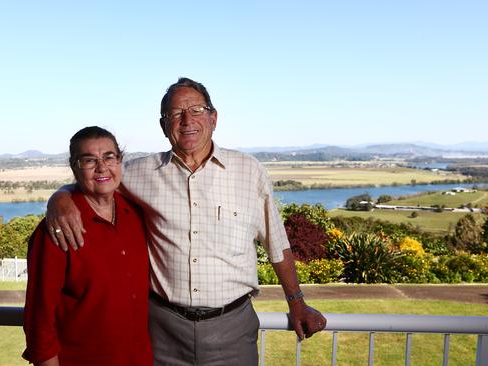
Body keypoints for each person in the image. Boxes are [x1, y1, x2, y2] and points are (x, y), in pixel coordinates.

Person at [46, 78, 326, 365]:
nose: (187, 120)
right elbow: (99, 176)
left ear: (214, 118)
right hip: (162, 331)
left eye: (196, 110)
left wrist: (297, 303)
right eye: (176, 113)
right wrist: (61, 197)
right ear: (163, 125)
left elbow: (277, 244)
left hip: (233, 328)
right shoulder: (138, 173)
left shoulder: (249, 171)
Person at [22, 126, 152, 366]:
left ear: (120, 161)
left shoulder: (136, 214)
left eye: (109, 157)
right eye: (89, 160)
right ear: (74, 167)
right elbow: (39, 317)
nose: (102, 167)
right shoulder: (54, 231)